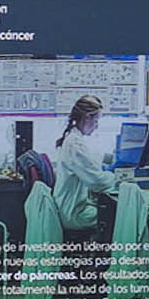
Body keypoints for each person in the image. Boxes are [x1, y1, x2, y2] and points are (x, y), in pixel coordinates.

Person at [51, 95, 115, 235]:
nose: (97, 125)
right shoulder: (74, 144)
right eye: (96, 120)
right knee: (120, 215)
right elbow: (97, 181)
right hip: (74, 214)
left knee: (112, 211)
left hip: (72, 207)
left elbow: (89, 160)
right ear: (87, 117)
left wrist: (109, 159)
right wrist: (119, 178)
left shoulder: (73, 138)